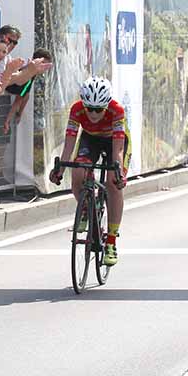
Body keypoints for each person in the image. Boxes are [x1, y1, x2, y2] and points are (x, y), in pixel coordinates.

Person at [49, 77, 130, 266]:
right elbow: (69, 146)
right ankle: (86, 207)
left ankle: (111, 241)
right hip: (90, 139)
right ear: (84, 104)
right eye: (90, 108)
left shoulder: (116, 110)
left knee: (112, 183)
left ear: (106, 105)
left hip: (114, 141)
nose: (93, 114)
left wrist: (119, 174)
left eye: (98, 109)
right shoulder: (77, 109)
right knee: (78, 170)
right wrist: (60, 169)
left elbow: (118, 150)